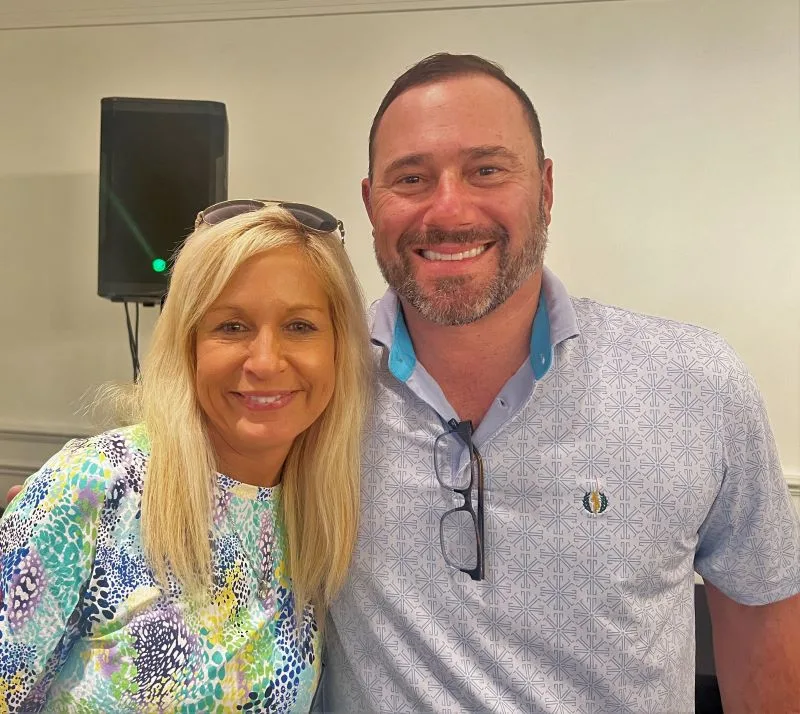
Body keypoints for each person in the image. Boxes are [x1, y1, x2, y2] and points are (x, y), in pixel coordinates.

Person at [320, 53, 800, 712]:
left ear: (545, 190)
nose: (449, 208)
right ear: (371, 204)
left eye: (487, 170)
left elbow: (763, 643)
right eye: (411, 178)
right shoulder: (316, 391)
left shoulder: (695, 386)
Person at [0, 202, 371, 712]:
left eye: (300, 326)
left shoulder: (321, 515)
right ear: (188, 344)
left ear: (339, 348)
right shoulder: (98, 483)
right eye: (232, 327)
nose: (265, 362)